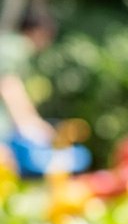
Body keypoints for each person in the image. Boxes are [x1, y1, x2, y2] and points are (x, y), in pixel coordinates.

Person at [0, 9, 91, 177]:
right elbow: (9, 87)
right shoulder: (17, 48)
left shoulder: (7, 43)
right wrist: (32, 125)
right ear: (39, 32)